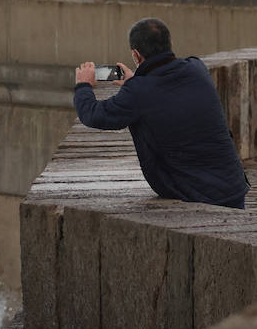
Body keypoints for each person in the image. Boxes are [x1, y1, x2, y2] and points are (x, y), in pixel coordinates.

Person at [74, 17, 247, 209]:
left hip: (196, 195)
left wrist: (83, 86)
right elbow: (163, 89)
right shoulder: (197, 68)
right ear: (171, 44)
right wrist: (136, 82)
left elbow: (94, 115)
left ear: (136, 55)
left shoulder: (139, 92)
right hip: (234, 189)